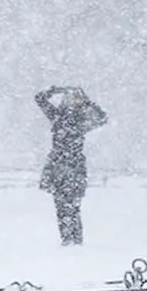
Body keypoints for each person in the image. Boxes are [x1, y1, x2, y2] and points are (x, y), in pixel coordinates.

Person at [35, 86, 107, 245]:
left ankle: (75, 241)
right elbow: (39, 98)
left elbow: (102, 118)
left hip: (73, 166)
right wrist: (56, 89)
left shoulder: (80, 118)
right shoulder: (58, 116)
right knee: (62, 206)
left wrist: (87, 102)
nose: (70, 101)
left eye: (74, 98)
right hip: (59, 166)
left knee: (73, 207)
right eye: (68, 98)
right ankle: (68, 241)